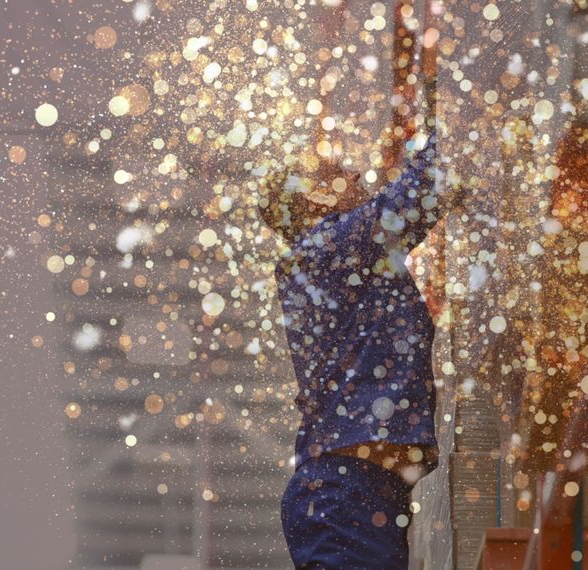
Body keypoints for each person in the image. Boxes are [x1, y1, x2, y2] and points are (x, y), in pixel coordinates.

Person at [258, 78, 458, 569]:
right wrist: (449, 113)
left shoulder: (338, 258)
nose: (352, 171)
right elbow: (421, 191)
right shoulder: (326, 248)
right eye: (333, 171)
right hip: (345, 493)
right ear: (315, 202)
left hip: (357, 492)